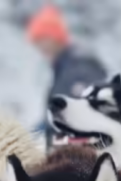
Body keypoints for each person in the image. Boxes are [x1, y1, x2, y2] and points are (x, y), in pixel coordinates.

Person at [26, 4, 107, 144]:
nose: (40, 46)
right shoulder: (63, 66)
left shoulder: (79, 65)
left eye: (43, 39)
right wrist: (34, 133)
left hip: (81, 148)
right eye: (37, 41)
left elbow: (83, 111)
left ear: (55, 36)